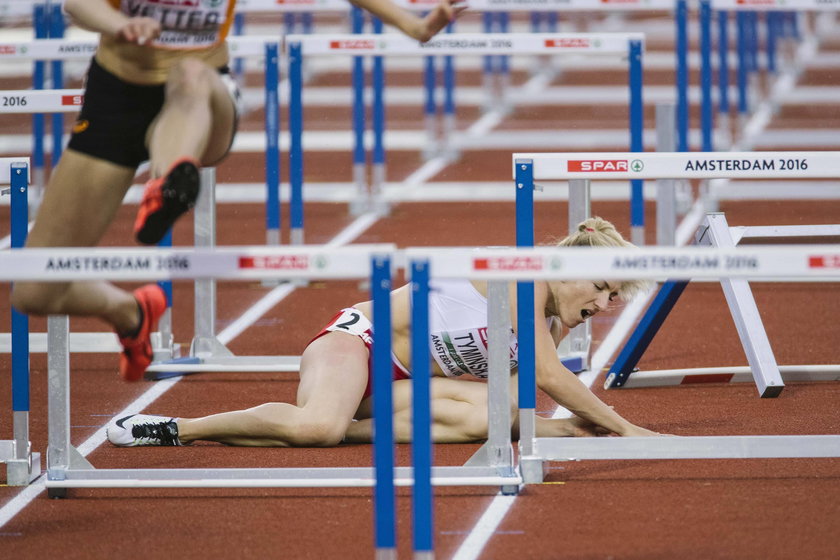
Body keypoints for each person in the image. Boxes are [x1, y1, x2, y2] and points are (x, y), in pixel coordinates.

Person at [10, 0, 467, 382]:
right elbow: (78, 4)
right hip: (117, 98)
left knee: (187, 74)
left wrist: (413, 23)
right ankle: (130, 311)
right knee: (35, 290)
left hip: (202, 98)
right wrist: (120, 23)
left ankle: (168, 185)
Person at [106, 217, 662, 448]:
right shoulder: (523, 276)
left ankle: (332, 427)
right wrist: (627, 431)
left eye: (616, 300)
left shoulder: (550, 318)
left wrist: (571, 429)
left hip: (401, 385)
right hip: (359, 344)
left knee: (494, 417)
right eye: (603, 287)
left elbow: (519, 394)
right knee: (320, 428)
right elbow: (547, 376)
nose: (605, 304)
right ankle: (177, 427)